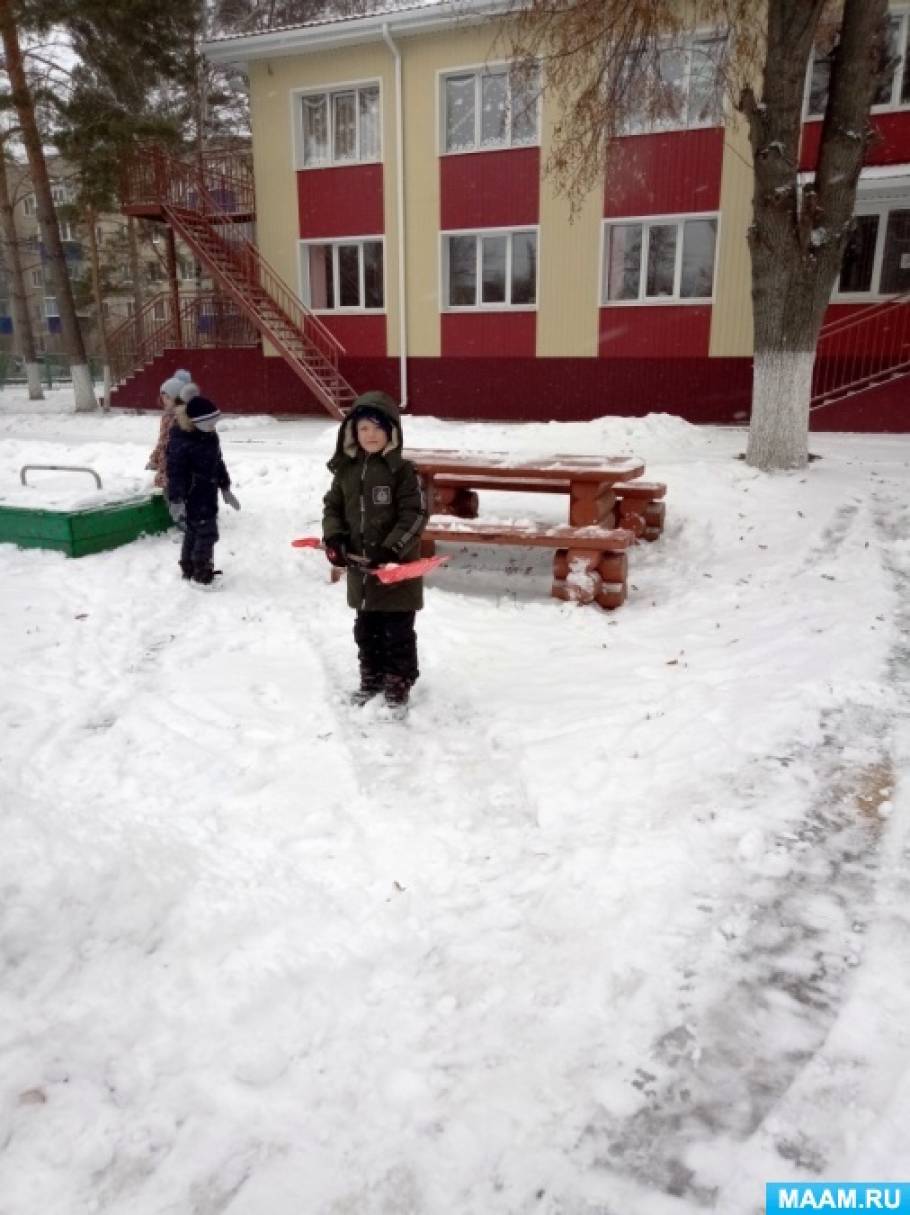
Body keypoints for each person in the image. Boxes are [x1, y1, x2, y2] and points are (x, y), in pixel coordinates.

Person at [322, 391, 427, 711]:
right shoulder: (346, 471)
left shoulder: (402, 471)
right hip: (362, 571)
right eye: (363, 428)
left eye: (378, 428)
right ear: (352, 432)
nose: (371, 435)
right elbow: (332, 507)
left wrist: (391, 548)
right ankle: (371, 677)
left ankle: (398, 681)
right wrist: (334, 538)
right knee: (366, 630)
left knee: (397, 631)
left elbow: (415, 515)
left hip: (396, 570)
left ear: (392, 431)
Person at [165, 382, 240, 585]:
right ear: (194, 421)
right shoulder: (182, 440)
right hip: (193, 494)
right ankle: (201, 572)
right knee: (207, 533)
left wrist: (225, 487)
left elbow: (217, 462)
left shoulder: (209, 436)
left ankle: (188, 567)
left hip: (208, 492)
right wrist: (176, 499)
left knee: (194, 531)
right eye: (209, 424)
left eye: (214, 424)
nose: (212, 427)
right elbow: (175, 473)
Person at [146, 369, 192, 493]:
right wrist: (154, 459)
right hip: (166, 464)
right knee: (165, 490)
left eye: (167, 397)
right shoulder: (166, 416)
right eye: (163, 397)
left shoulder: (185, 418)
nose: (164, 400)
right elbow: (162, 441)